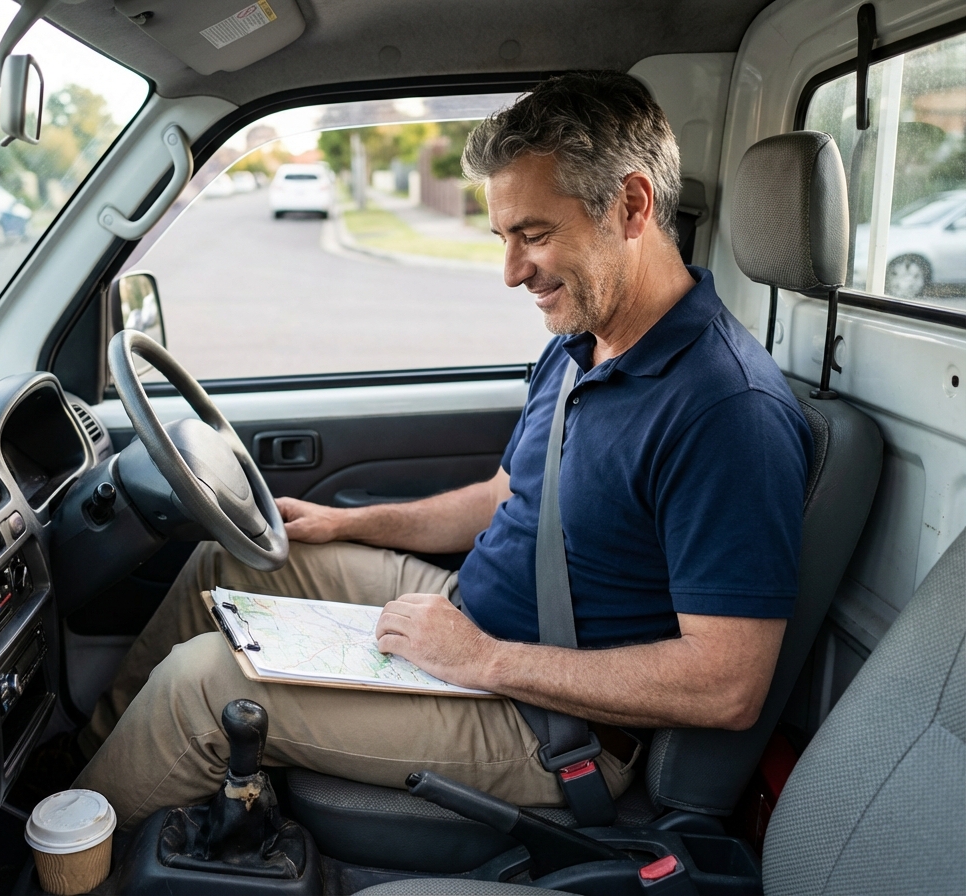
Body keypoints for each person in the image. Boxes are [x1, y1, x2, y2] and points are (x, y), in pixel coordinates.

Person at [74, 71, 813, 830]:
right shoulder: (580, 343)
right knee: (224, 564)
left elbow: (727, 687)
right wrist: (346, 524)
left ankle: (63, 860)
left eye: (533, 234)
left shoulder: (728, 413)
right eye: (504, 238)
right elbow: (503, 498)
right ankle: (77, 782)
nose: (511, 272)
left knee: (205, 683)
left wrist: (481, 660)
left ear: (630, 206)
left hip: (552, 726)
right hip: (471, 621)